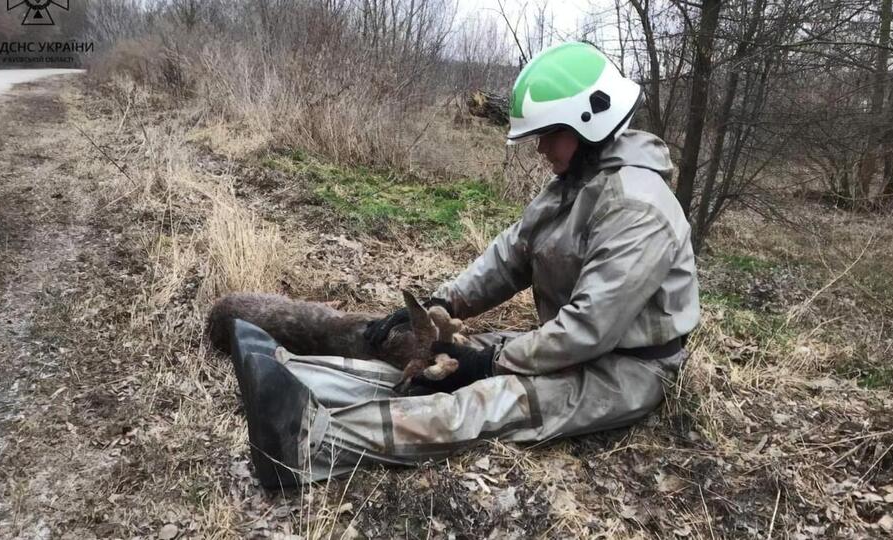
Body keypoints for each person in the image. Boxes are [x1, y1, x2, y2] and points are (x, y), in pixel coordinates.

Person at [227, 41, 700, 491]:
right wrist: (442, 302)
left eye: (547, 137)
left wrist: (490, 363)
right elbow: (510, 256)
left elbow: (589, 330)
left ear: (587, 122)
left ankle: (307, 443)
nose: (540, 150)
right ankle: (290, 373)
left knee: (483, 404)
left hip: (625, 372)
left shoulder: (638, 208)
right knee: (439, 361)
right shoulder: (572, 186)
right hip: (575, 347)